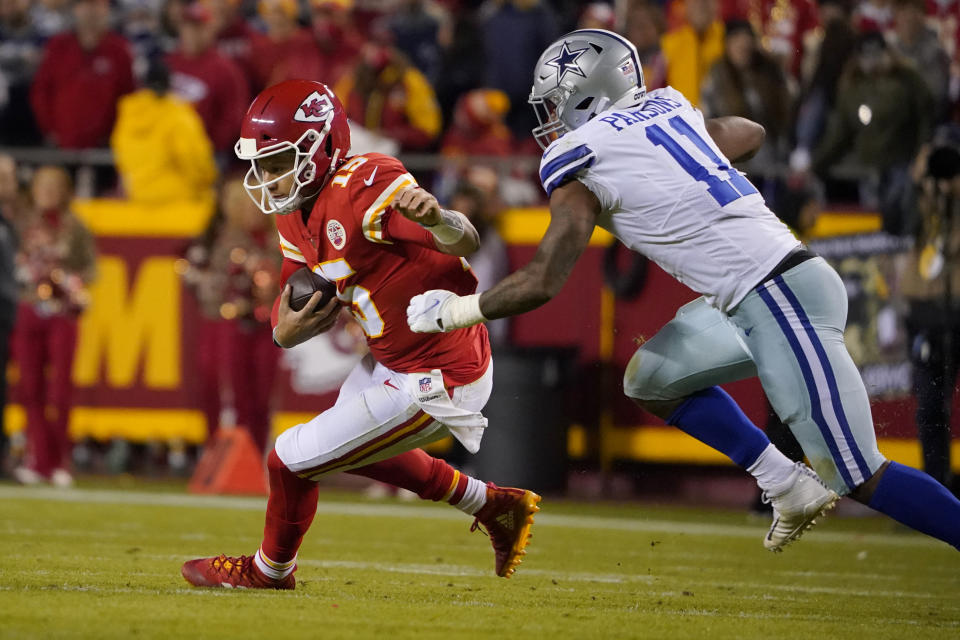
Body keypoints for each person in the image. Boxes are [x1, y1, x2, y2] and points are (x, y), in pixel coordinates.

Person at [407, 28, 960, 553]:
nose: (549, 122)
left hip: (779, 293)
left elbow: (543, 278)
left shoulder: (584, 158)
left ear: (586, 98)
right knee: (651, 378)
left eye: (554, 105)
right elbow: (750, 132)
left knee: (858, 475)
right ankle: (782, 481)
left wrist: (455, 311)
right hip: (759, 294)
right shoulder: (669, 110)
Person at [180, 79, 541, 590]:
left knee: (290, 457)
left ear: (322, 146)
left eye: (279, 161)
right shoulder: (293, 213)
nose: (267, 177)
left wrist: (437, 219)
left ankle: (269, 571)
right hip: (391, 359)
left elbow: (467, 236)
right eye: (260, 163)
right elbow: (287, 313)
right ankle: (493, 504)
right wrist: (287, 332)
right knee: (350, 447)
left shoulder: (366, 182)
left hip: (439, 369)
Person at [12, 166, 96, 488]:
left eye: (53, 186)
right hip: (28, 307)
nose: (46, 192)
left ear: (64, 191)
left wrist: (71, 284)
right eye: (41, 186)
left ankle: (60, 459)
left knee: (60, 388)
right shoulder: (22, 223)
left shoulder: (75, 227)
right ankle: (37, 459)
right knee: (30, 388)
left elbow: (90, 268)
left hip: (62, 313)